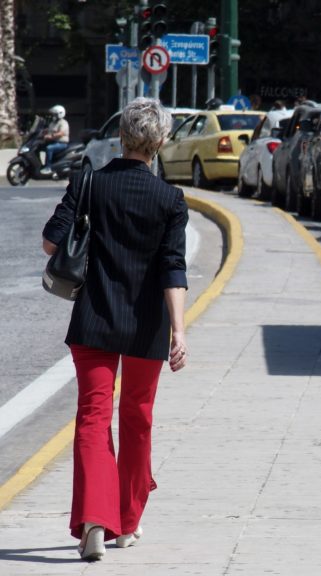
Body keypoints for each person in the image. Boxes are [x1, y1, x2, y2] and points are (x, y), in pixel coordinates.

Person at [42, 97, 189, 562]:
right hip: (147, 325)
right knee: (138, 418)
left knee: (92, 417)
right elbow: (172, 268)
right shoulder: (170, 200)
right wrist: (179, 332)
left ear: (122, 137)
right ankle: (126, 522)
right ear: (160, 142)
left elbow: (51, 241)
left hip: (93, 319)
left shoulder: (87, 184)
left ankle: (92, 523)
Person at [40, 104, 70, 175]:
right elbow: (48, 129)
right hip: (54, 142)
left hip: (62, 143)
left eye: (54, 114)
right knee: (39, 146)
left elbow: (61, 133)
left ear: (60, 114)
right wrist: (41, 132)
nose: (53, 116)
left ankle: (48, 168)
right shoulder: (53, 122)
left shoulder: (63, 122)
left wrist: (51, 136)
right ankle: (41, 166)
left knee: (49, 148)